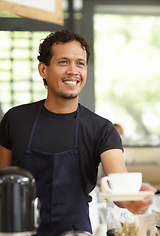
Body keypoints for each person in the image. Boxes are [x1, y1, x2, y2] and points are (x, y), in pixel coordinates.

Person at [0, 30, 156, 236]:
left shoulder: (102, 129)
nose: (73, 70)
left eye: (80, 63)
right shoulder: (15, 119)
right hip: (17, 232)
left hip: (76, 232)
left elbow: (119, 188)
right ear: (43, 69)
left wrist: (133, 200)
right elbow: (2, 183)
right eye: (63, 62)